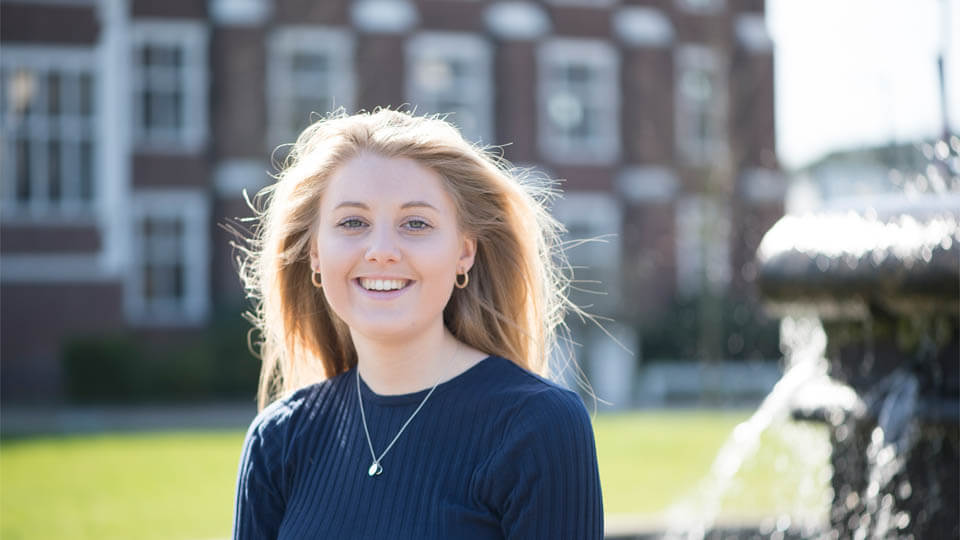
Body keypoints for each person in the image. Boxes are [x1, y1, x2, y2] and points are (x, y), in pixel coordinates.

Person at [231, 109, 603, 539]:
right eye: (353, 222)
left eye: (416, 223)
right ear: (315, 253)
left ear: (464, 252)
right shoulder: (277, 441)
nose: (381, 250)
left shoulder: (537, 426)